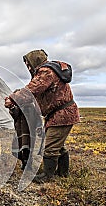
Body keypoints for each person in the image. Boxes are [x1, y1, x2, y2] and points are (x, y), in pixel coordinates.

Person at [5, 49, 80, 181]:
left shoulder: (46, 72)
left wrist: (13, 98)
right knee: (58, 145)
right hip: (58, 115)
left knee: (50, 147)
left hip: (62, 114)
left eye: (29, 64)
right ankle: (63, 173)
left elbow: (32, 89)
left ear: (35, 62)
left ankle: (47, 175)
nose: (28, 67)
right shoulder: (48, 72)